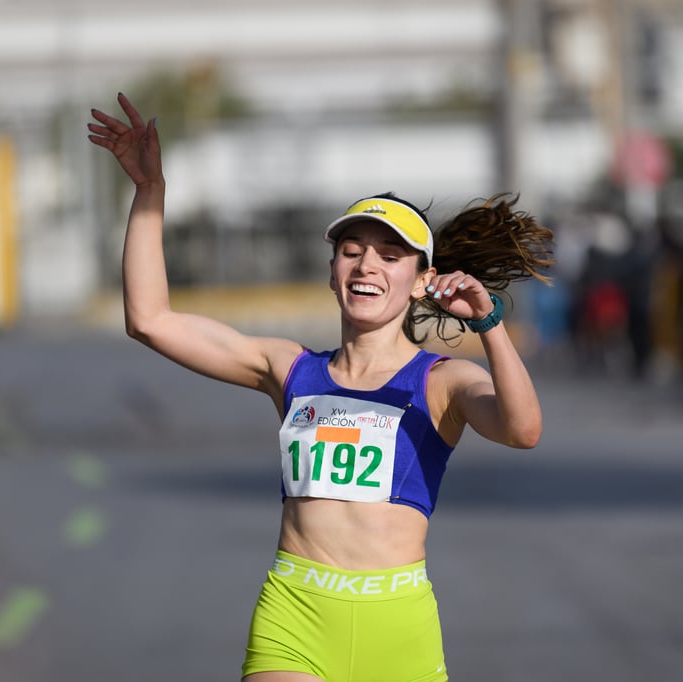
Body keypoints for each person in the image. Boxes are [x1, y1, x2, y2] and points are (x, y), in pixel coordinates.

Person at [88, 92, 554, 682]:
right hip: (295, 616)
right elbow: (150, 320)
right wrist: (150, 192)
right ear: (333, 274)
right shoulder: (290, 369)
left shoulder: (442, 381)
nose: (367, 266)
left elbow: (524, 430)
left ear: (421, 281)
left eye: (390, 255)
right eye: (352, 252)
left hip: (398, 626)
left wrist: (488, 325)